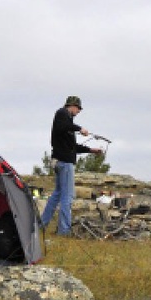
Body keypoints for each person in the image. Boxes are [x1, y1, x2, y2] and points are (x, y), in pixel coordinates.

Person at [40, 95, 102, 236]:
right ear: (72, 106)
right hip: (64, 163)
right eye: (78, 108)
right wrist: (80, 129)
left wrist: (91, 150)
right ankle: (64, 231)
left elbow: (72, 146)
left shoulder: (67, 123)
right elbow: (65, 126)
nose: (79, 111)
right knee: (67, 197)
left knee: (57, 195)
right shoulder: (62, 114)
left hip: (59, 161)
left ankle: (42, 225)